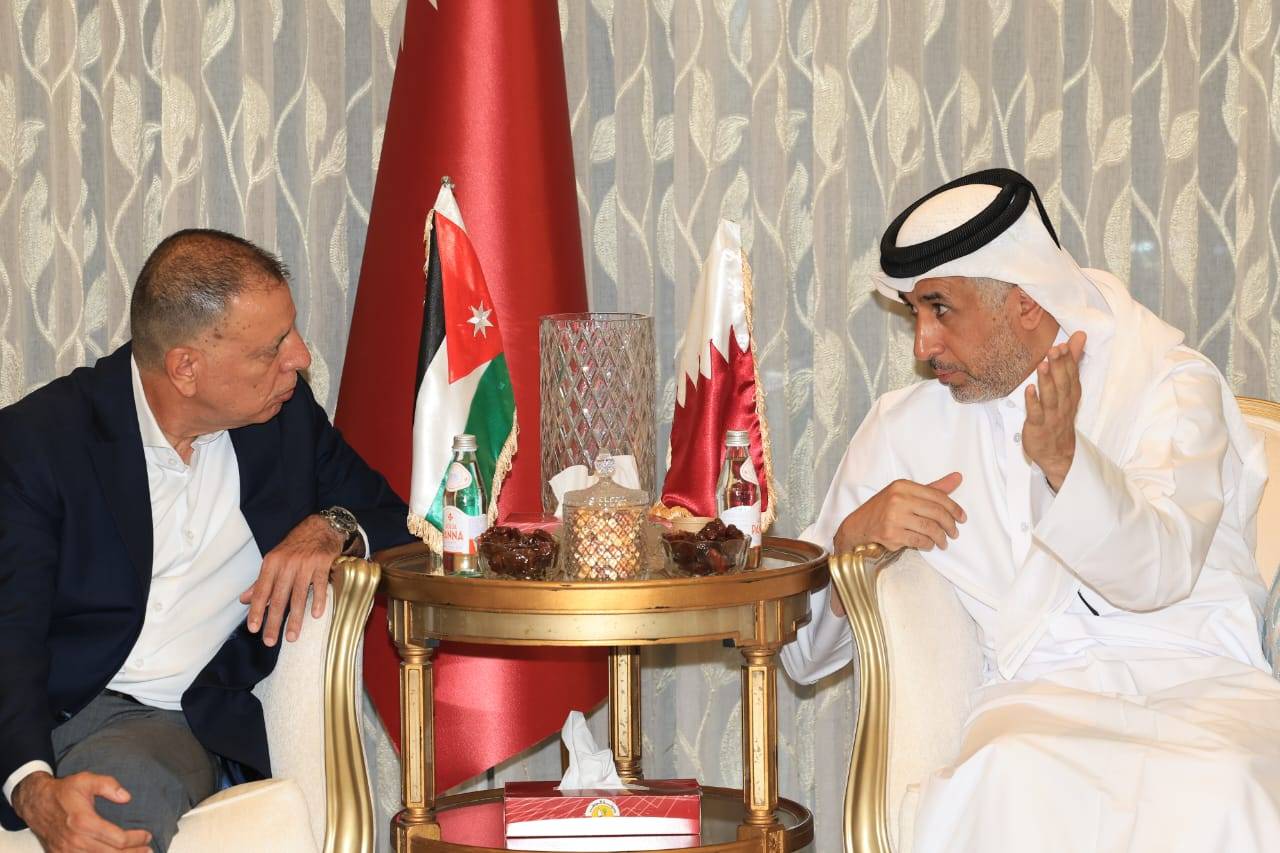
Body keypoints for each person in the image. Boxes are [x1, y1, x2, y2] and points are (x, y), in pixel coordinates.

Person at [780, 169, 1280, 850]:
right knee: (1006, 775)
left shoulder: (1168, 385)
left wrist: (1066, 464)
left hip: (1202, 683)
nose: (922, 346)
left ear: (1023, 301)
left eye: (939, 309)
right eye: (914, 312)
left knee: (1226, 785)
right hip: (1041, 698)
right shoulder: (905, 429)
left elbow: (1158, 572)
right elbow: (802, 659)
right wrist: (850, 542)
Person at [0, 229, 412, 851]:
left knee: (123, 800)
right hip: (41, 700)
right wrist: (30, 786)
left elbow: (397, 520)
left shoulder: (283, 420)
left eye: (292, 332)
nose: (300, 357)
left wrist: (331, 527)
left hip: (154, 722)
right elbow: (11, 628)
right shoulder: (42, 441)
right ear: (185, 368)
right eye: (273, 348)